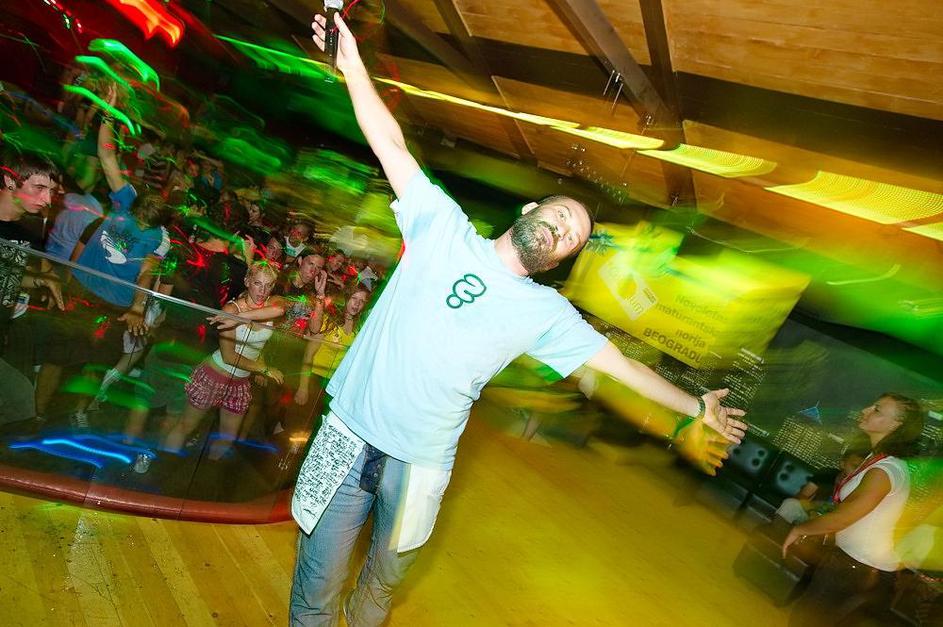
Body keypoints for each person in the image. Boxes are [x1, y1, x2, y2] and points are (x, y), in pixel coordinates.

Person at [289, 13, 749, 626]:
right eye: (560, 215)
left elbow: (620, 365)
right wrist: (351, 65)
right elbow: (390, 144)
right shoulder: (443, 228)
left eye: (572, 238)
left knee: (380, 587)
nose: (562, 230)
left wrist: (695, 407)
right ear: (531, 209)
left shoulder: (546, 313)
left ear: (558, 261)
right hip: (349, 435)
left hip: (421, 466)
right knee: (315, 588)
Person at [783, 393, 925, 626]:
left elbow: (844, 517)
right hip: (854, 565)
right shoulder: (876, 459)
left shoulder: (885, 470)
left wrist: (801, 529)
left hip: (859, 569)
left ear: (896, 425)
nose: (866, 409)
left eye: (877, 409)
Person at [163, 261, 285, 461]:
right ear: (247, 281)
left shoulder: (272, 304)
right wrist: (263, 369)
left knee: (227, 438)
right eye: (257, 283)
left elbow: (278, 314)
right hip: (215, 374)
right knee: (186, 426)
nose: (263, 291)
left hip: (240, 382)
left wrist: (240, 320)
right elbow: (229, 356)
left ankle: (208, 472)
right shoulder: (231, 308)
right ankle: (162, 464)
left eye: (268, 285)